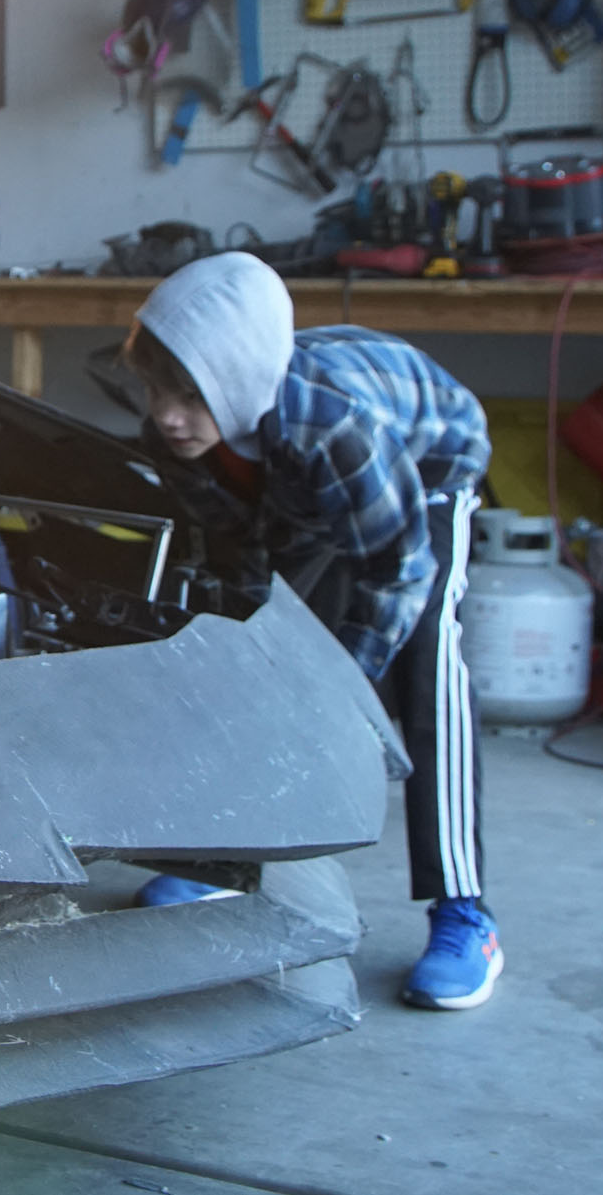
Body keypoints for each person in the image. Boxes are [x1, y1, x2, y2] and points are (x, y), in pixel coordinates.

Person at [120, 252, 501, 1012]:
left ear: (238, 380)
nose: (166, 414)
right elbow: (243, 559)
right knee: (256, 649)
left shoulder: (334, 424)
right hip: (299, 492)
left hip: (427, 471)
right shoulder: (174, 439)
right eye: (157, 389)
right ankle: (229, 860)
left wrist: (343, 686)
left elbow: (398, 566)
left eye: (189, 393)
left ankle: (466, 912)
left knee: (428, 659)